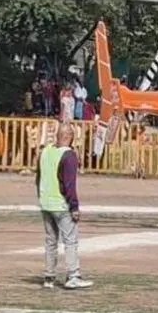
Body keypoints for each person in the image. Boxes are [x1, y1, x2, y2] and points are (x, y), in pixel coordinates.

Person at [36, 121, 92, 289]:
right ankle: (73, 275)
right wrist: (74, 206)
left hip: (46, 203)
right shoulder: (68, 155)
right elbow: (69, 184)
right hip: (61, 204)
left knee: (50, 241)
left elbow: (38, 178)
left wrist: (41, 197)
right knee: (70, 241)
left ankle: (49, 277)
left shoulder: (45, 152)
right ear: (69, 137)